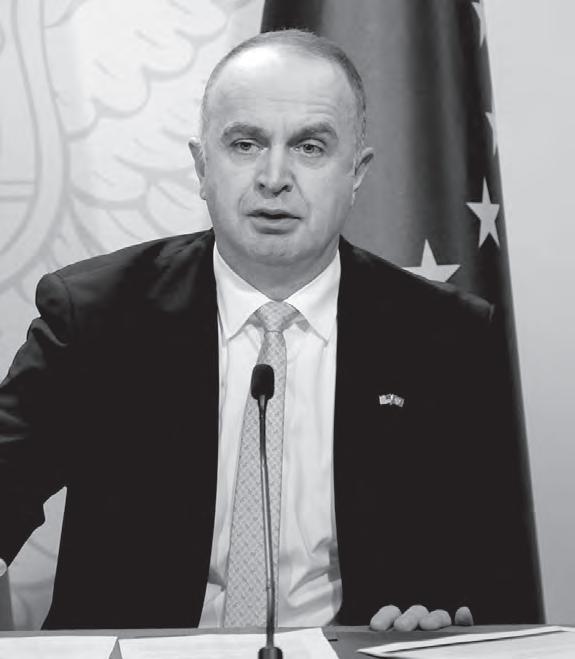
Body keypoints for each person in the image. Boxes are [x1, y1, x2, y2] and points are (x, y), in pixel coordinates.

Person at [0, 29, 540, 631]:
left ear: (357, 172)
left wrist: (440, 613)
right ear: (202, 166)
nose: (274, 177)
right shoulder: (96, 315)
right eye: (245, 144)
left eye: (310, 147)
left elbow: (493, 577)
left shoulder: (447, 338)